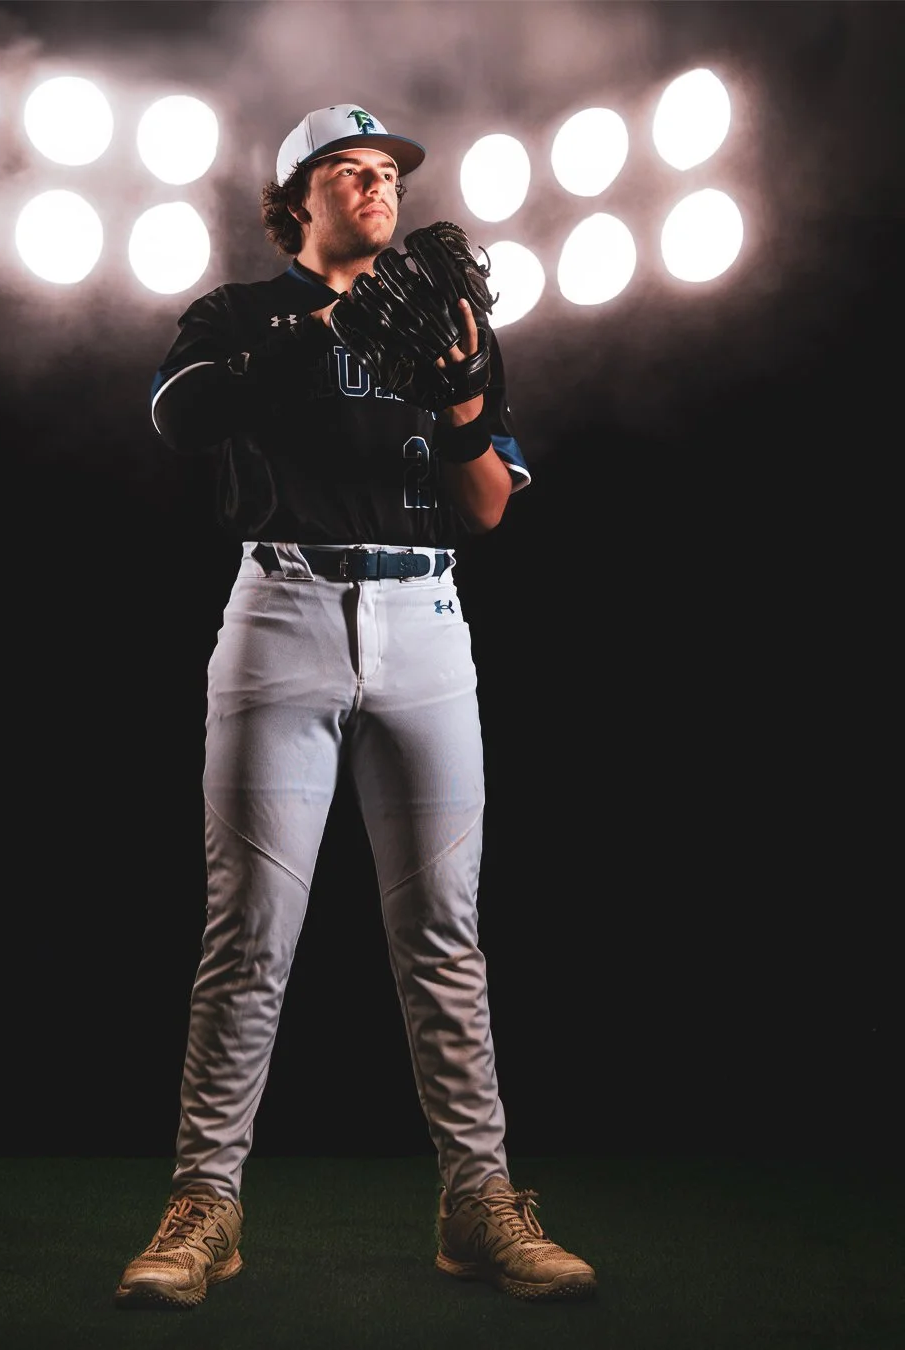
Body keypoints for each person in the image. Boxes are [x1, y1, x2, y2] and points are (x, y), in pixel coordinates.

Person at [114, 102, 597, 1309]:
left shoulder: (445, 317)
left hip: (425, 617)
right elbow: (178, 417)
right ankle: (205, 1209)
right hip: (281, 609)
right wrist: (315, 329)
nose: (379, 186)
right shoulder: (240, 315)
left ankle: (479, 1203)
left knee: (445, 929)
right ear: (299, 194)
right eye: (351, 169)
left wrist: (467, 392)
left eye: (390, 171)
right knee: (249, 938)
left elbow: (487, 506)